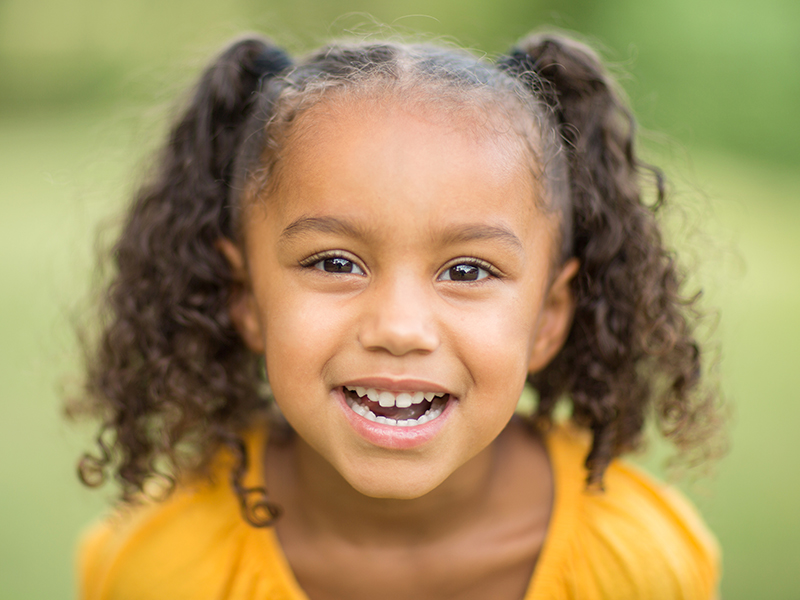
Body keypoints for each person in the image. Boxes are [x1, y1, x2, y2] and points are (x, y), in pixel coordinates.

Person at [72, 29, 722, 600]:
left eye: (467, 271)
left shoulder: (640, 565)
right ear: (245, 299)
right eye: (334, 262)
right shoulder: (162, 570)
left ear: (549, 318)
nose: (399, 328)